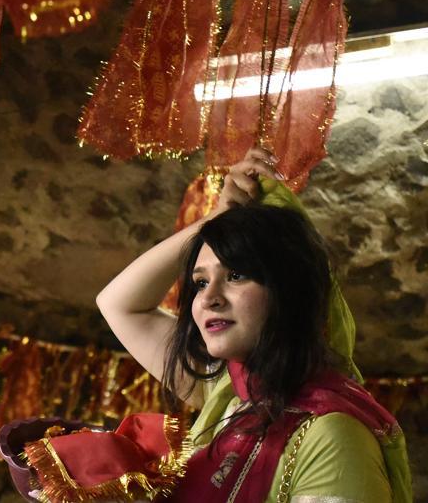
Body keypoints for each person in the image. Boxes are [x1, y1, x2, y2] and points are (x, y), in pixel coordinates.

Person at [95, 148, 411, 502]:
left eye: (236, 275)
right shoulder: (228, 391)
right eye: (200, 282)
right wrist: (215, 220)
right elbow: (118, 304)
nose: (208, 298)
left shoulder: (334, 437)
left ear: (288, 292)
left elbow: (121, 307)